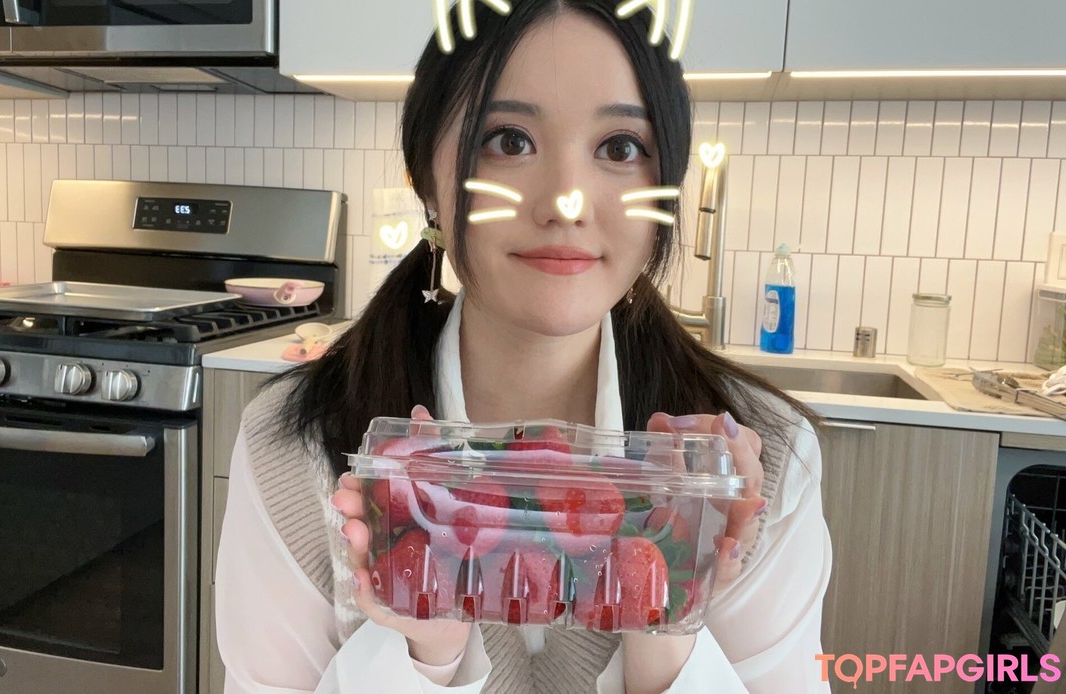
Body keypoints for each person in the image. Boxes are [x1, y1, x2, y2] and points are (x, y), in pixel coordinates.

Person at [214, 1, 833, 692]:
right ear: (425, 177)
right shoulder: (296, 450)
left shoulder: (756, 469)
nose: (567, 202)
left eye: (619, 148)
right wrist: (427, 653)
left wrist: (667, 626)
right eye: (509, 140)